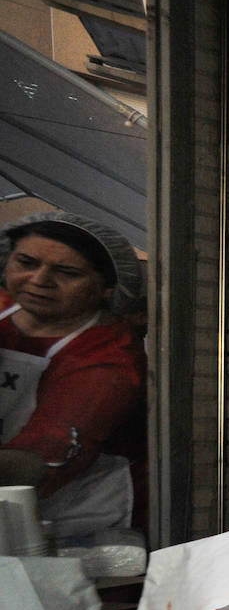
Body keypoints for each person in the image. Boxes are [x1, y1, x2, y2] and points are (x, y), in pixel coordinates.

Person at [0, 211, 147, 539]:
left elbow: (38, 456)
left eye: (66, 272)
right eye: (26, 262)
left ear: (108, 287)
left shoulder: (109, 358)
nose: (39, 280)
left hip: (73, 523)